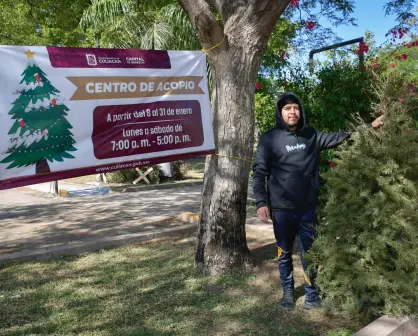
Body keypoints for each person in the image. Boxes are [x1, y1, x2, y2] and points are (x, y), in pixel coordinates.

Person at [252, 92, 383, 310]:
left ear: (300, 111)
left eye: (295, 107)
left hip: (307, 208)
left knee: (311, 253)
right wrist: (260, 202)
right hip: (282, 208)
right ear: (280, 112)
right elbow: (259, 173)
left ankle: (312, 294)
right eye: (287, 108)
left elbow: (340, 137)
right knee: (283, 252)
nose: (292, 112)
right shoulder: (269, 138)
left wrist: (370, 126)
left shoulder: (311, 136)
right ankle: (288, 294)